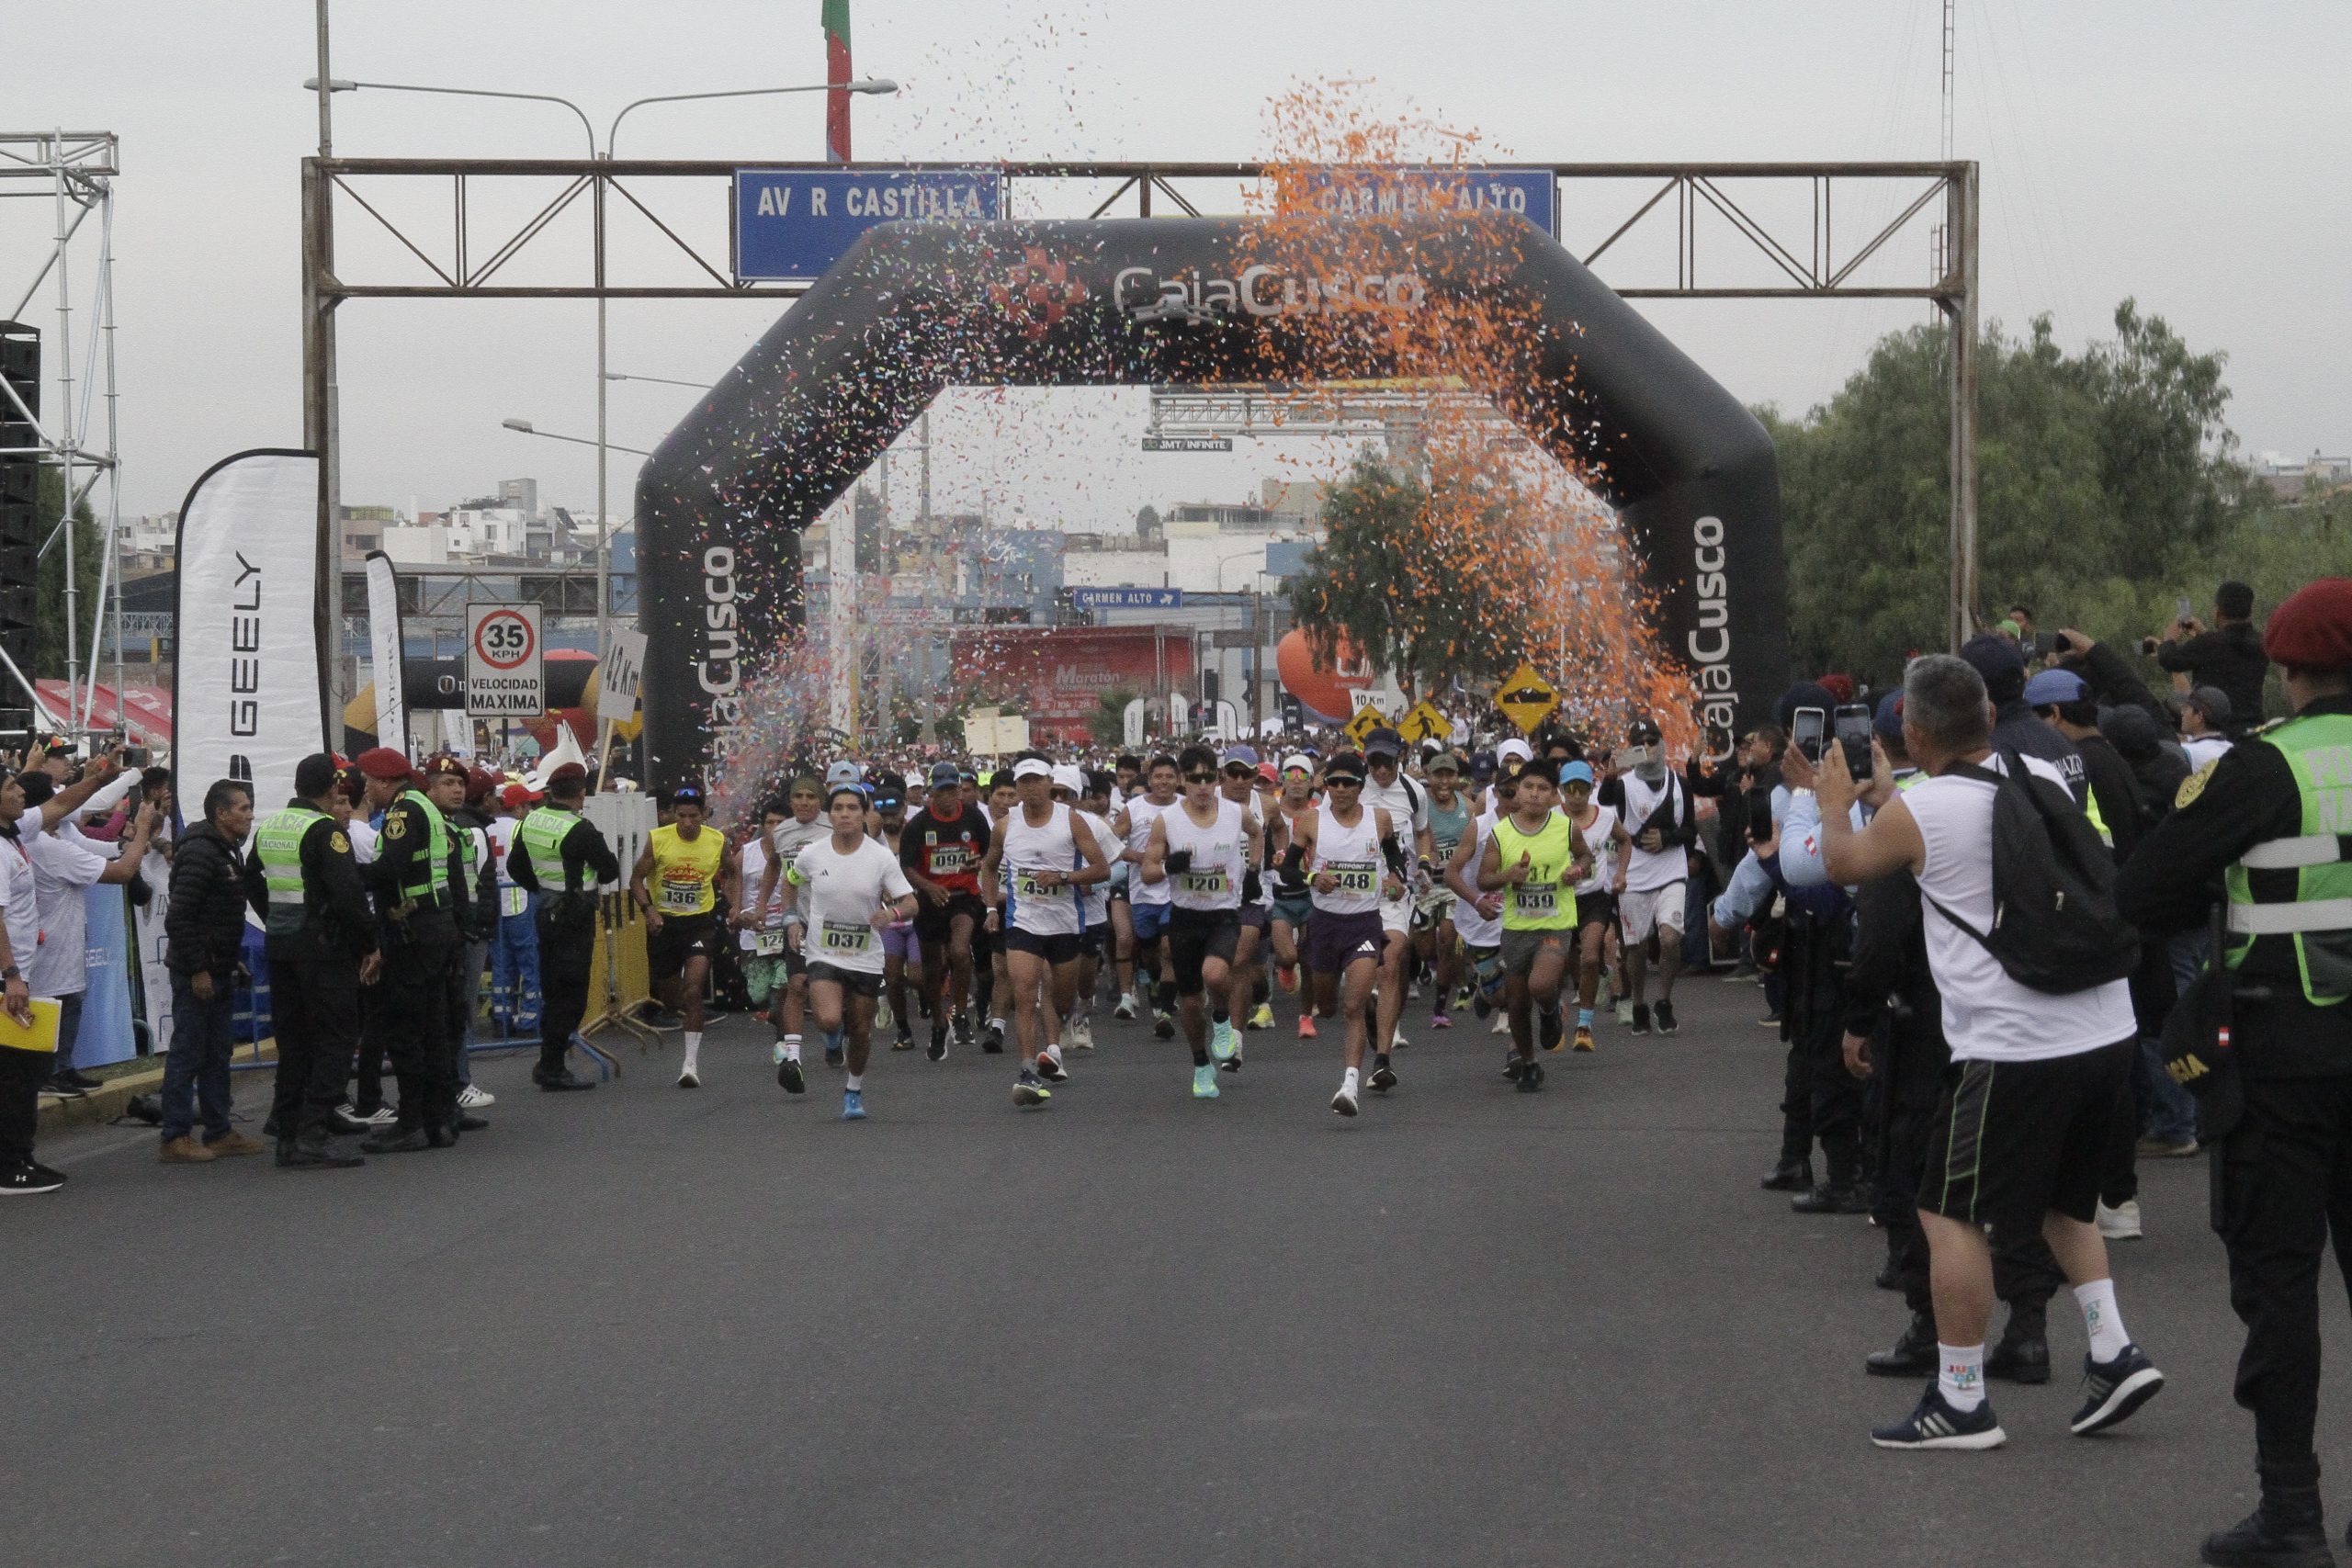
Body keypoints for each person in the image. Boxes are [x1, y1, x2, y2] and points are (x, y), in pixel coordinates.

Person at [1818, 653, 2162, 1452]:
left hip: (2016, 1043)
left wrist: (1835, 804)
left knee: (1947, 1208)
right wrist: (1889, 797)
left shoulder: (1922, 809)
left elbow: (1844, 863)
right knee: (2060, 1203)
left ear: (1912, 728)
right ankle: (2112, 1351)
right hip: (2105, 1024)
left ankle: (1962, 1398)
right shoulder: (2034, 766)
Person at [2114, 577, 2352, 1565]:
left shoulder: (2262, 769)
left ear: (2286, 668)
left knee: (2280, 1285)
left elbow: (2145, 888)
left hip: (2282, 1059)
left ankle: (2290, 1513)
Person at [245, 753, 379, 1169]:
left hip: (283, 946)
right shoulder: (325, 831)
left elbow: (253, 879)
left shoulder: (270, 826)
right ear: (333, 788)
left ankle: (288, 1134)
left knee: (295, 1043)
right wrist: (369, 945)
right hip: (323, 949)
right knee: (337, 1039)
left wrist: (275, 920)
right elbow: (349, 895)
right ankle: (314, 1131)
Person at [356, 750, 471, 1152]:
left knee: (406, 1030)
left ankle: (411, 1123)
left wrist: (345, 874)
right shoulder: (424, 806)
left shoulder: (404, 812)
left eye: (369, 780)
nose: (366, 788)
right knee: (433, 1030)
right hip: (435, 925)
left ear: (386, 781)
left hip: (415, 930)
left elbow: (392, 868)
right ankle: (438, 1121)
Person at [979, 756, 1111, 1107]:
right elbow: (989, 868)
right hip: (1023, 922)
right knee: (1024, 994)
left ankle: (1054, 1045)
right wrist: (992, 908)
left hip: (1066, 923)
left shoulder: (1072, 821)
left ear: (1049, 782)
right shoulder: (1005, 826)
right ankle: (1026, 1072)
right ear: (1017, 788)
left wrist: (1065, 877)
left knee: (1061, 998)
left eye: (1037, 781)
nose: (1031, 789)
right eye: (1024, 783)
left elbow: (1101, 869)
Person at [784, 783, 918, 1120]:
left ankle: (853, 1091)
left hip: (865, 955)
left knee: (860, 1029)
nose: (845, 814)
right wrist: (790, 919)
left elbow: (910, 902)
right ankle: (832, 1038)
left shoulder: (880, 856)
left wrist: (892, 914)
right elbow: (790, 880)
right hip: (823, 951)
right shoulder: (812, 853)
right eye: (839, 808)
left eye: (852, 808)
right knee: (829, 1019)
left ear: (864, 813)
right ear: (830, 815)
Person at [20, 769, 158, 1097]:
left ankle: (63, 1068)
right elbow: (123, 872)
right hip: (50, 946)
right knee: (56, 1008)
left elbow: (93, 849)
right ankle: (50, 1074)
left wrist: (123, 844)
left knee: (70, 1004)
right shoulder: (46, 845)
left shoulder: (54, 836)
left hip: (59, 942)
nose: (72, 802)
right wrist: (141, 831)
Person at [1289, 750, 1406, 1116]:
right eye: (1334, 782)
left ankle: (1349, 1085)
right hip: (1325, 924)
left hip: (1364, 924)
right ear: (1325, 786)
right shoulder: (1310, 821)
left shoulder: (1380, 819)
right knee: (1327, 1008)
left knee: (1351, 1007)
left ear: (1361, 786)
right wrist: (1312, 878)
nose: (1341, 789)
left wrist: (1395, 878)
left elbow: (1395, 857)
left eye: (1349, 783)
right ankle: (1368, 1009)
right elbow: (1287, 871)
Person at [1140, 744, 1256, 1100]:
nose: (1203, 786)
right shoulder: (1168, 820)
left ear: (1216, 779)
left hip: (1223, 914)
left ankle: (1221, 1018)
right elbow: (1147, 872)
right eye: (1194, 779)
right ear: (1182, 782)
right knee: (1190, 1004)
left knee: (1216, 975)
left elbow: (1259, 833)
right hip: (1185, 918)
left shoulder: (1236, 812)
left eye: (1209, 778)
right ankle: (1201, 1064)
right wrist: (1168, 867)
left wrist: (1254, 869)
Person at [156, 778, 262, 1162]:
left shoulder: (226, 849)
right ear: (221, 813)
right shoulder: (201, 851)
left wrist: (225, 956)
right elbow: (181, 917)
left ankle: (219, 1131)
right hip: (195, 971)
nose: (250, 816)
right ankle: (175, 1136)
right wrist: (199, 969)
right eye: (243, 809)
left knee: (218, 1052)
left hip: (218, 965)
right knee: (187, 1052)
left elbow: (214, 915)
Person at [508, 761, 620, 1093]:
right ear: (581, 793)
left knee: (553, 987)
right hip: (574, 917)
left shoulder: (531, 820)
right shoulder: (579, 829)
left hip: (546, 913)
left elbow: (516, 866)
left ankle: (549, 1060)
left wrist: (542, 888)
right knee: (570, 995)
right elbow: (610, 869)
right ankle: (552, 1066)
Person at [1476, 759, 1589, 1090]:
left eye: (1543, 789)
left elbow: (1585, 857)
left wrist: (1577, 870)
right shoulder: (1501, 832)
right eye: (1529, 787)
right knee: (1517, 1003)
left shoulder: (1566, 828)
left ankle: (1552, 1009)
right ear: (1518, 791)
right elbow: (1484, 879)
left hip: (1555, 925)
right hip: (1516, 929)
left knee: (1540, 985)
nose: (1535, 795)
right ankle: (1529, 1063)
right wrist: (1509, 876)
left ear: (1554, 795)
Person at [631, 783, 740, 1086]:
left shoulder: (716, 841)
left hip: (699, 923)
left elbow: (733, 872)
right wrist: (648, 910)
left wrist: (734, 905)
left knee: (694, 991)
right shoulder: (658, 840)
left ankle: (690, 1064)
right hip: (664, 924)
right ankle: (678, 1010)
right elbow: (637, 878)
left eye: (693, 816)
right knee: (673, 999)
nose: (687, 823)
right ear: (672, 815)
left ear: (704, 814)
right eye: (681, 816)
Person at [1600, 718, 1694, 1035]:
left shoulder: (1679, 782)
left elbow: (1690, 830)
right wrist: (1611, 774)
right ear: (1632, 750)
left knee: (1669, 937)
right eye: (1640, 743)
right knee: (1636, 946)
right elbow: (1604, 798)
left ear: (1662, 743)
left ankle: (1664, 1001)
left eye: (1653, 740)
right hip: (1635, 875)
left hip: (1671, 870)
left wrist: (1667, 838)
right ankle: (1639, 1002)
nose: (1649, 747)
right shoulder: (1625, 784)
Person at [896, 762, 989, 1061]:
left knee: (961, 952)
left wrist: (979, 863)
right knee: (930, 970)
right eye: (942, 790)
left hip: (964, 897)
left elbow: (990, 854)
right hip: (930, 901)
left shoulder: (974, 818)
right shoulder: (920, 825)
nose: (948, 796)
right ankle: (938, 1023)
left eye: (953, 790)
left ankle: (960, 1013)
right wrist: (928, 886)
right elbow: (907, 866)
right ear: (932, 792)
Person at [0, 774, 57, 1192]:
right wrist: (11, 976)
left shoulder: (11, 837)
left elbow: (58, 806)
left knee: (23, 1071)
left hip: (18, 976)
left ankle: (21, 1155)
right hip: (7, 981)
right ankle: (10, 1165)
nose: (20, 792)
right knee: (14, 1074)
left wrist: (96, 778)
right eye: (9, 787)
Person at [1362, 728, 1434, 1054]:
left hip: (1398, 885)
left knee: (1395, 959)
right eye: (1373, 762)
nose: (1380, 770)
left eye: (1386, 762)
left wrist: (1423, 863)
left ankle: (1391, 1025)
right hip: (1358, 886)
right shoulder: (1353, 787)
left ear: (1400, 758)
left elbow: (1422, 833)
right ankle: (1370, 1007)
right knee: (1370, 963)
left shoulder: (1413, 790)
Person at [1562, 761, 1631, 1053]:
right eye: (1571, 789)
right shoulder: (1551, 817)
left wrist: (1621, 873)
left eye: (1583, 788)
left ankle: (1584, 1026)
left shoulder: (1605, 816)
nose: (1577, 795)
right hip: (1559, 899)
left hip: (1594, 898)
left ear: (1592, 789)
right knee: (1560, 964)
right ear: (1562, 790)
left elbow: (1625, 841)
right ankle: (1554, 1012)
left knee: (1590, 958)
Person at [1112, 753, 1182, 1036]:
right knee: (1152, 953)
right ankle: (1154, 980)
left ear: (1178, 780)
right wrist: (1139, 857)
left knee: (1169, 948)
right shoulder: (1135, 808)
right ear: (1150, 779)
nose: (1163, 782)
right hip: (1142, 892)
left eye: (1169, 776)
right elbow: (1111, 842)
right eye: (1158, 776)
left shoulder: (1185, 806)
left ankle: (1165, 1011)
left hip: (1176, 891)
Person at [2153, 579, 2269, 728]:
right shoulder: (2261, 643)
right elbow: (2229, 652)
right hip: (2253, 726)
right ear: (2250, 611)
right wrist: (2204, 634)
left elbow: (2169, 660)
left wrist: (2169, 639)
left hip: (2217, 729)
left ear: (2217, 611)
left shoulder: (2209, 644)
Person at [1418, 751, 1475, 1031]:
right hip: (1426, 886)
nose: (1443, 781)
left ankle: (1440, 1006)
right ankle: (1433, 965)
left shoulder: (1470, 807)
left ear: (1456, 778)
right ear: (1428, 777)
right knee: (1425, 947)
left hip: (1455, 886)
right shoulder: (1420, 807)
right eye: (1437, 775)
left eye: (1448, 775)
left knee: (1448, 939)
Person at [484, 782, 541, 1040]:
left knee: (501, 966)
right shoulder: (522, 827)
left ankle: (501, 1018)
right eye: (528, 805)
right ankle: (530, 1021)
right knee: (530, 964)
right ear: (518, 808)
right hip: (520, 904)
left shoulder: (486, 828)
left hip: (495, 908)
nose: (530, 809)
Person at [2180, 686, 2236, 773]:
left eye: (2186, 708)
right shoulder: (2233, 749)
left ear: (2199, 716)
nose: (2182, 713)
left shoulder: (2187, 752)